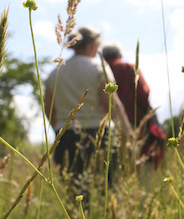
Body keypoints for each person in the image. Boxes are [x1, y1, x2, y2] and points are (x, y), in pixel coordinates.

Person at [44, 26, 133, 187]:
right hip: (99, 135)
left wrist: (60, 130)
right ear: (92, 43)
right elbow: (112, 104)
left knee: (74, 192)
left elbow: (49, 110)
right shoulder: (98, 67)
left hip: (64, 137)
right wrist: (128, 132)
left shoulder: (54, 73)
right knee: (106, 189)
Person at [102, 42, 166, 167]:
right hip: (134, 121)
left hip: (106, 123)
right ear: (120, 54)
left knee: (111, 161)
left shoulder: (100, 70)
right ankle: (133, 184)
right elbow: (144, 92)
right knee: (132, 159)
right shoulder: (130, 68)